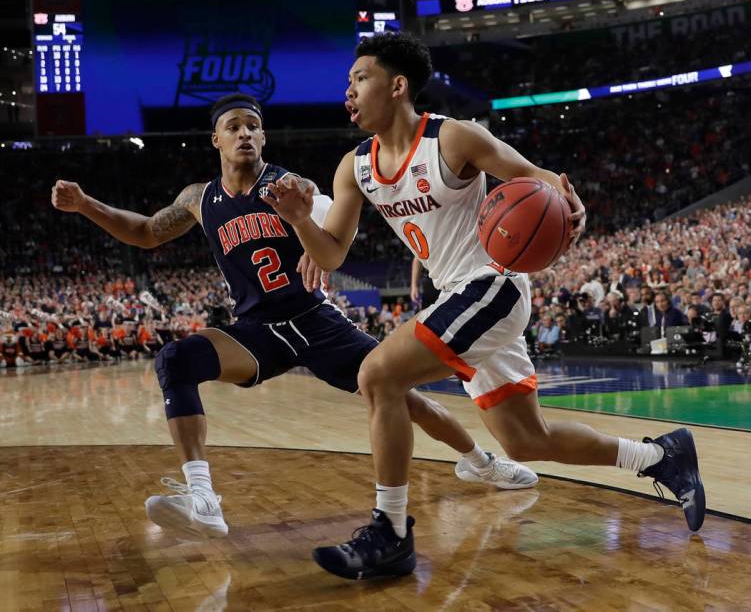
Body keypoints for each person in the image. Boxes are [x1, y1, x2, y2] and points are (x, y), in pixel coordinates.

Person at [263, 32, 705, 580]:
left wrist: (573, 204)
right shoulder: (353, 168)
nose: (347, 92)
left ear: (397, 86)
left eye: (359, 78)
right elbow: (329, 256)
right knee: (525, 440)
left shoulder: (454, 139)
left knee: (376, 374)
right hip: (460, 299)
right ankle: (663, 456)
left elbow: (538, 180)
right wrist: (300, 220)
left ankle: (391, 532)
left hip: (492, 285)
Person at [51, 92, 536, 541]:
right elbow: (146, 232)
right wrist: (84, 205)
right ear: (215, 139)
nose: (245, 134)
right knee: (176, 361)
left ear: (263, 137)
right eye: (234, 127)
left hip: (315, 321)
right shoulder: (199, 199)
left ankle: (480, 461)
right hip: (256, 332)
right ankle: (202, 498)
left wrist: (315, 240)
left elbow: (330, 227)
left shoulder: (289, 185)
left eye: (253, 127)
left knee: (404, 399)